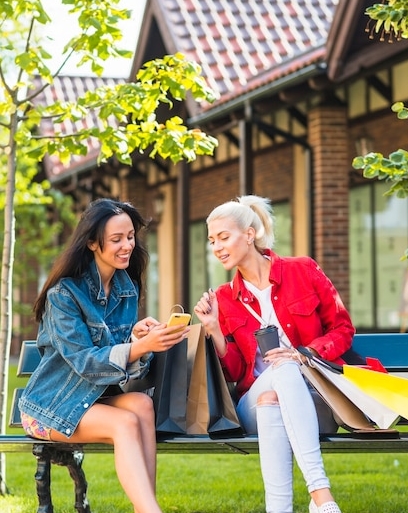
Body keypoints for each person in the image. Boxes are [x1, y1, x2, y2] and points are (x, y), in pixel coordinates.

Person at [19, 198, 189, 513]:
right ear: (93, 244)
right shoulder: (64, 296)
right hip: (48, 407)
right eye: (116, 240)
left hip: (90, 401)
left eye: (130, 237)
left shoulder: (125, 289)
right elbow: (86, 362)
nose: (127, 245)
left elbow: (124, 364)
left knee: (142, 405)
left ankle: (144, 507)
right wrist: (141, 347)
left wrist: (136, 338)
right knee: (124, 422)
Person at [194, 195, 355, 513]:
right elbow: (236, 372)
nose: (217, 247)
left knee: (278, 388)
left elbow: (343, 330)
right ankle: (322, 496)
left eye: (224, 237)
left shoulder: (303, 270)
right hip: (251, 403)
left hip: (317, 403)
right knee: (278, 375)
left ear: (249, 234)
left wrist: (304, 354)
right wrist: (213, 328)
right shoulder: (225, 298)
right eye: (212, 241)